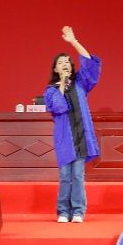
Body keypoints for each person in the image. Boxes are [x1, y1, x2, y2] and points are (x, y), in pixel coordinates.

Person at [44, 26, 101, 223]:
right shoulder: (51, 91)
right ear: (55, 69)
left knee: (77, 175)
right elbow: (59, 107)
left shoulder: (80, 84)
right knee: (65, 176)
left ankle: (77, 211)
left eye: (67, 62)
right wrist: (61, 84)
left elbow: (90, 64)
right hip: (65, 138)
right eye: (60, 63)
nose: (65, 64)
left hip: (81, 135)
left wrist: (73, 42)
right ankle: (62, 212)